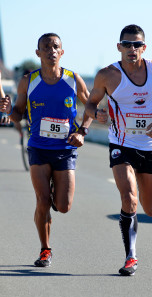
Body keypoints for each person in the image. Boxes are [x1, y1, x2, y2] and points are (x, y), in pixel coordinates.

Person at [85, 24, 152, 276]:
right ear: (118, 47)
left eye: (137, 44)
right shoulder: (107, 75)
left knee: (151, 209)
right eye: (127, 44)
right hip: (122, 143)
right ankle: (131, 256)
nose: (132, 49)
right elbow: (90, 103)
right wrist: (95, 114)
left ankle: (139, 188)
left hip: (151, 146)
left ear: (144, 47)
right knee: (129, 197)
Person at [0, 33, 92, 267]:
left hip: (65, 149)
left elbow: (91, 106)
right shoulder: (28, 81)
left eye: (56, 47)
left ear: (62, 52)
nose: (51, 50)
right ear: (38, 53)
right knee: (42, 200)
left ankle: (54, 192)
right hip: (39, 148)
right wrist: (10, 110)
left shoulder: (73, 79)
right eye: (46, 47)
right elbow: (18, 115)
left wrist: (82, 131)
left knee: (63, 206)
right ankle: (45, 250)